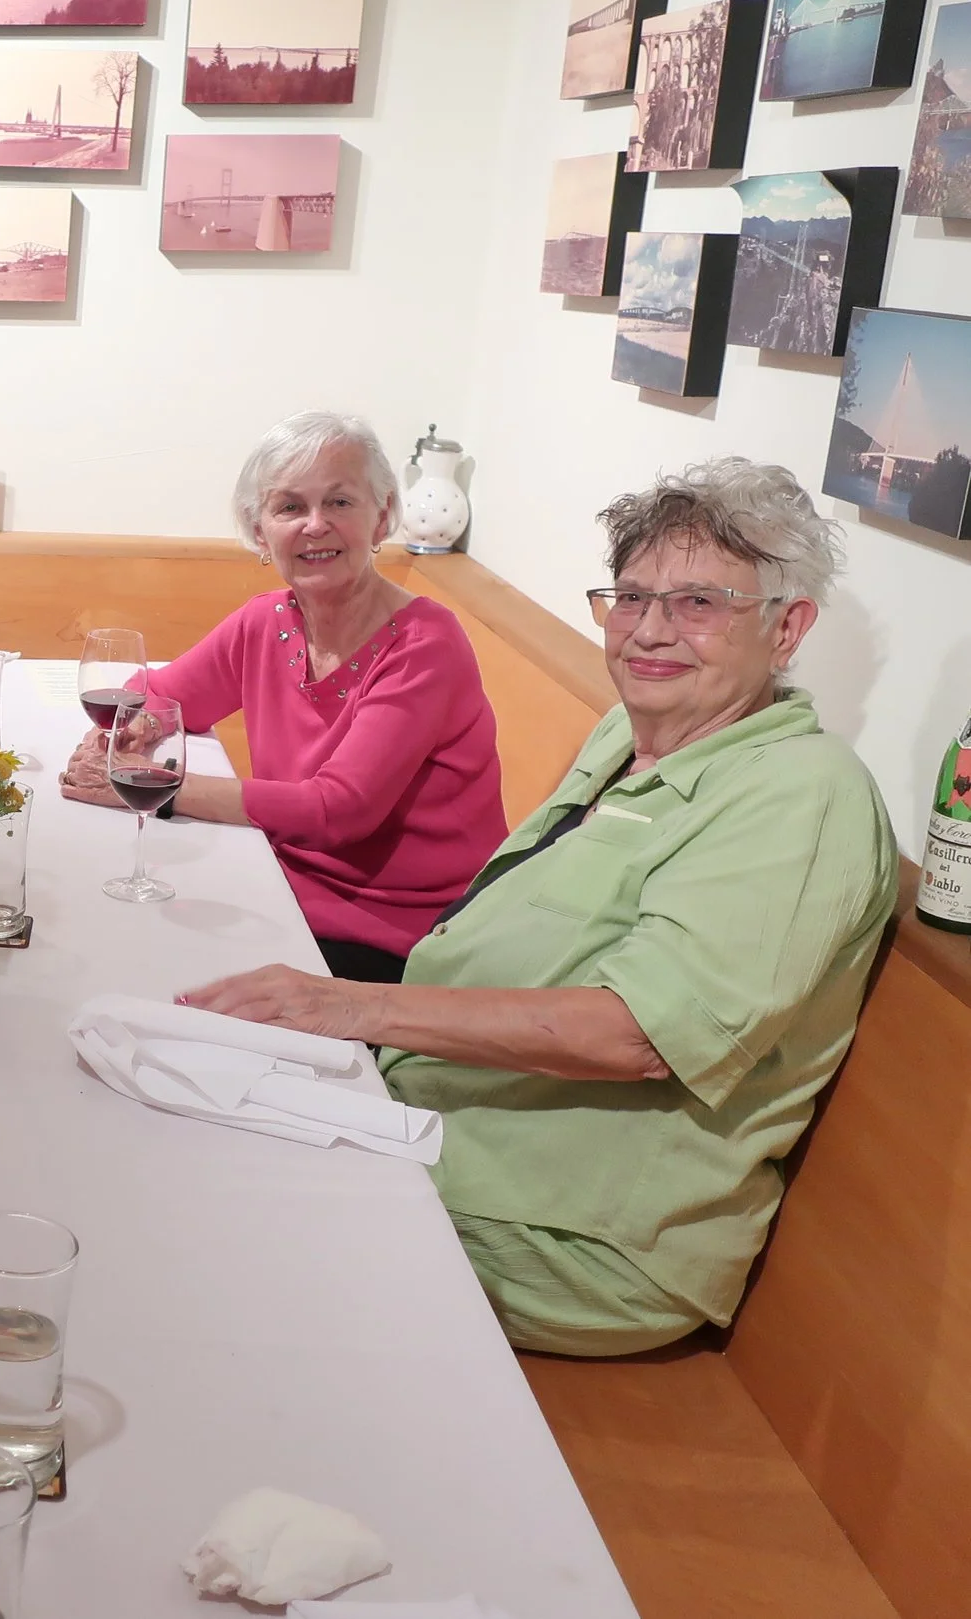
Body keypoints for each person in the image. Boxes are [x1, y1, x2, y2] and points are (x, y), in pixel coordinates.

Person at [181, 460, 896, 1357]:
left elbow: (639, 1035)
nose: (650, 631)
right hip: (436, 1117)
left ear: (786, 627)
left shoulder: (802, 794)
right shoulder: (630, 735)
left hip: (570, 1231)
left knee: (198, 1230)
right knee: (164, 1093)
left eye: (699, 604)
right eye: (632, 598)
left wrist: (351, 1007)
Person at [63, 411, 507, 982]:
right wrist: (136, 732)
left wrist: (157, 788)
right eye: (290, 507)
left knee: (147, 969)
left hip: (402, 936)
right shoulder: (266, 622)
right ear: (259, 532)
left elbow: (338, 811)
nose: (315, 525)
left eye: (340, 502)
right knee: (96, 929)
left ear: (382, 516)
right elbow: (156, 693)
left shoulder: (424, 645)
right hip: (282, 884)